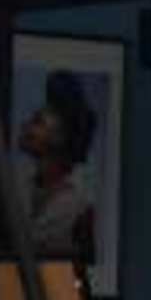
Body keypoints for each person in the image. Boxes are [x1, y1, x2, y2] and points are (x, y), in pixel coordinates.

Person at [16, 67, 101, 271]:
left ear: (58, 138)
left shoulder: (78, 206)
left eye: (38, 122)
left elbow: (82, 267)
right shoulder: (16, 188)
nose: (25, 126)